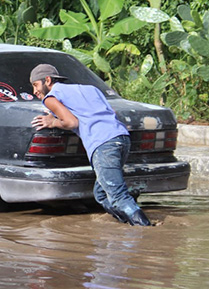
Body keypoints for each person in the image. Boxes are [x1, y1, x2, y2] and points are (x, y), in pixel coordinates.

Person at [29, 63, 152, 226]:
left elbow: (71, 122)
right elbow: (110, 112)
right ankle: (127, 225)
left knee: (118, 195)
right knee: (101, 194)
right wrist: (56, 112)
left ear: (48, 80)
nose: (34, 91)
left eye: (35, 85)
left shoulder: (50, 98)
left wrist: (53, 122)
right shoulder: (90, 89)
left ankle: (146, 230)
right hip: (121, 138)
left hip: (103, 144)